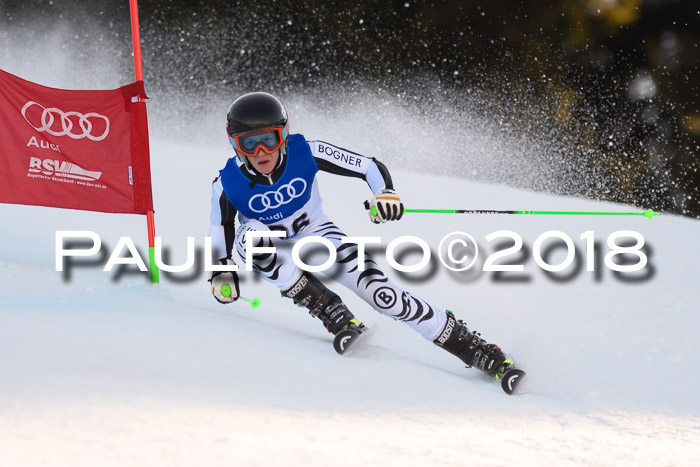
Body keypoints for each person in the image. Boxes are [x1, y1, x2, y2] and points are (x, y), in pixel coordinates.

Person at [208, 92, 513, 379]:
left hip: (316, 234)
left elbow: (367, 166)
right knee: (254, 238)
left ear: (283, 135)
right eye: (249, 144)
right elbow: (220, 227)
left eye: (269, 140)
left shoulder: (307, 151)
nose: (261, 152)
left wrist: (385, 194)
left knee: (383, 295)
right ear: (236, 145)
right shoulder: (226, 182)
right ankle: (331, 311)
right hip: (270, 246)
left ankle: (474, 348)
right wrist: (221, 269)